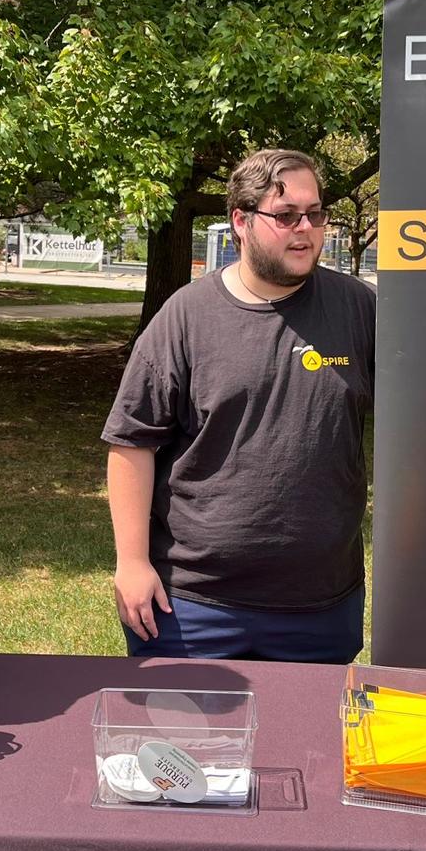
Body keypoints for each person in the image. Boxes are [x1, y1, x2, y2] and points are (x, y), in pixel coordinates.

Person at [102, 148, 375, 663]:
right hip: (193, 605)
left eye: (315, 214)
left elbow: (415, 421)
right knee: (183, 745)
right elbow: (131, 443)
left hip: (320, 605)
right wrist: (132, 563)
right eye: (286, 215)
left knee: (309, 744)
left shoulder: (359, 308)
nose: (306, 228)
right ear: (241, 222)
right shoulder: (185, 316)